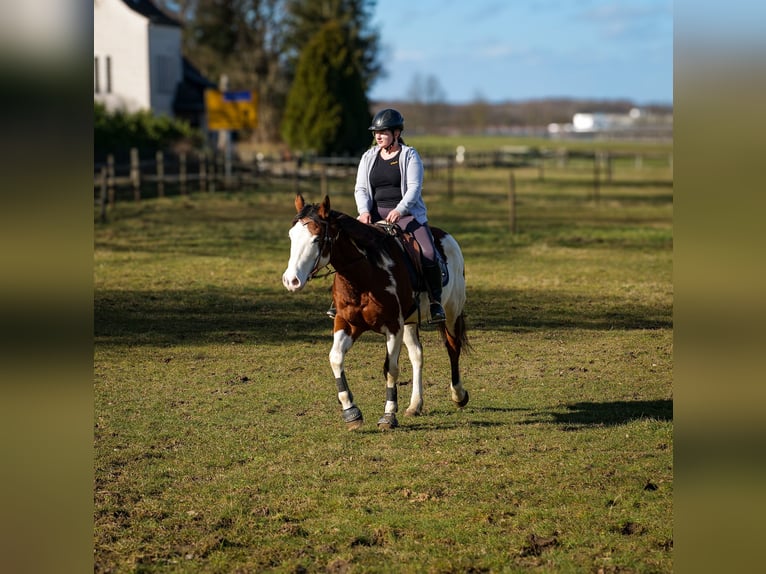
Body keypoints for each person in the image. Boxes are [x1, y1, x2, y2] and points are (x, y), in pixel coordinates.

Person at [327, 108, 446, 323]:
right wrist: (363, 212)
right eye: (376, 132)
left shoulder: (410, 155)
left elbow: (414, 189)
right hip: (372, 214)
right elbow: (360, 188)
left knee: (428, 252)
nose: (378, 136)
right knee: (345, 246)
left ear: (396, 133)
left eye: (383, 132)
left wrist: (399, 210)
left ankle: (435, 302)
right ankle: (339, 300)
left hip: (407, 214)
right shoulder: (369, 156)